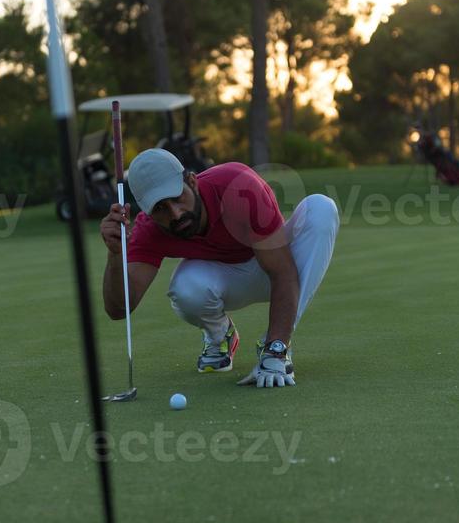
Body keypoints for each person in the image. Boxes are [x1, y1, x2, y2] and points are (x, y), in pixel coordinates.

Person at [100, 150, 339, 388]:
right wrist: (115, 255)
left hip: (279, 264)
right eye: (160, 208)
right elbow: (119, 309)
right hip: (228, 281)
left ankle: (275, 348)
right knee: (186, 287)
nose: (176, 213)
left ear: (192, 181)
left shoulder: (238, 186)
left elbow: (283, 272)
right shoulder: (149, 230)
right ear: (147, 212)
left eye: (177, 197)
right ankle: (220, 336)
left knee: (321, 209)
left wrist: (276, 347)